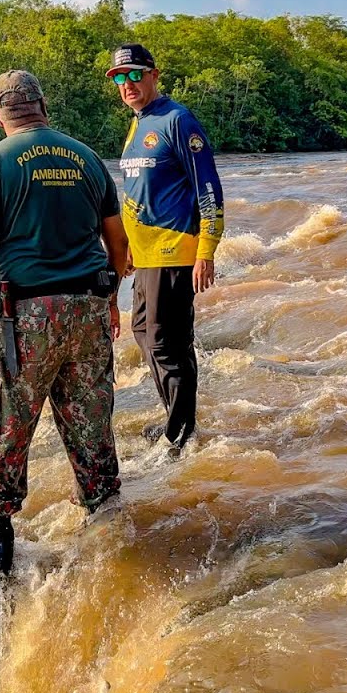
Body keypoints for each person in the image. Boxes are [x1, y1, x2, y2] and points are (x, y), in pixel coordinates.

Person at [0, 70, 129, 573]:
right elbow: (119, 244)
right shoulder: (86, 158)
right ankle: (106, 523)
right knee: (90, 415)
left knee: (6, 420)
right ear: (43, 106)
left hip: (25, 315)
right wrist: (109, 298)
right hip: (88, 306)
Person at [108, 43, 225, 454]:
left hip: (175, 252)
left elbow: (207, 187)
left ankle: (180, 434)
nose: (127, 84)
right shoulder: (137, 125)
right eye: (120, 78)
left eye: (135, 74)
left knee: (164, 343)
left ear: (154, 74)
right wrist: (126, 252)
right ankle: (178, 421)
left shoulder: (179, 120)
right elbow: (137, 193)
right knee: (146, 333)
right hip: (145, 257)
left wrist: (206, 249)